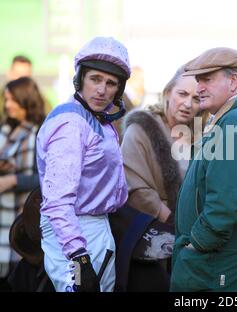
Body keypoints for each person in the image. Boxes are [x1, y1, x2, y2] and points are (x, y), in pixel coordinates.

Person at [169, 47, 237, 292]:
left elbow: (229, 201)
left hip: (230, 268)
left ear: (233, 81)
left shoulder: (235, 121)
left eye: (207, 79)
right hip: (233, 265)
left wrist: (196, 243)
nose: (199, 88)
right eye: (198, 80)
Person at [36, 36, 131, 292]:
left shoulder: (95, 118)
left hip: (92, 227)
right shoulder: (71, 123)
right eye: (95, 79)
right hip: (76, 232)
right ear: (80, 79)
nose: (102, 90)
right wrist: (79, 257)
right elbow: (57, 201)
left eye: (111, 83)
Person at [113, 65, 203, 291]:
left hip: (193, 243)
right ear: (168, 93)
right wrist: (171, 219)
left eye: (196, 98)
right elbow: (133, 185)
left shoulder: (202, 136)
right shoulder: (141, 129)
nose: (188, 103)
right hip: (152, 239)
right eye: (182, 94)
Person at [0, 77, 45, 290]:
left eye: (13, 100)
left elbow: (47, 179)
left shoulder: (41, 133)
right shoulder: (6, 130)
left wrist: (14, 180)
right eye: (6, 99)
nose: (8, 105)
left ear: (26, 100)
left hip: (22, 224)